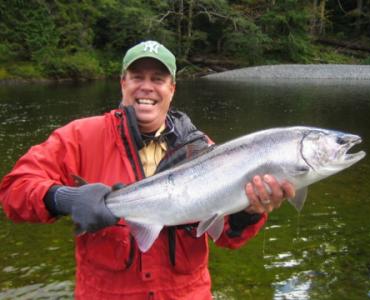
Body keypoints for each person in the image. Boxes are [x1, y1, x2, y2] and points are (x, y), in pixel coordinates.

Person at [0, 40, 294, 299]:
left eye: (158, 78)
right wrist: (63, 198)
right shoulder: (79, 137)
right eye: (137, 76)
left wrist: (249, 212)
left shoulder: (204, 150)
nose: (147, 86)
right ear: (123, 83)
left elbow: (228, 236)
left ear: (172, 88)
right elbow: (14, 189)